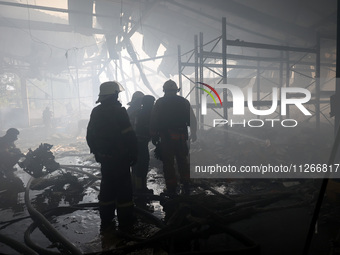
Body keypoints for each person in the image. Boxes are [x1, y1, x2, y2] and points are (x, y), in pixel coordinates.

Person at [86, 81, 138, 231]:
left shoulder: (96, 112)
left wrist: (97, 152)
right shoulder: (119, 111)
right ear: (114, 95)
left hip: (105, 158)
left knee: (107, 186)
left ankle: (106, 218)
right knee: (124, 188)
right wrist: (134, 153)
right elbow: (129, 135)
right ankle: (126, 220)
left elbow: (89, 135)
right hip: (120, 158)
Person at [150, 80, 197, 196]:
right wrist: (194, 133)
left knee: (168, 163)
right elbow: (192, 119)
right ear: (176, 90)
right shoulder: (184, 102)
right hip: (181, 138)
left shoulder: (160, 103)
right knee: (183, 161)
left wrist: (154, 136)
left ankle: (171, 187)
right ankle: (186, 184)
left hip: (166, 139)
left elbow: (154, 121)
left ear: (164, 90)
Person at [132, 95, 155, 194]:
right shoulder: (147, 113)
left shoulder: (138, 112)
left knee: (138, 166)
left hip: (136, 142)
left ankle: (138, 187)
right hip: (140, 143)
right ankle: (140, 189)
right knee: (142, 165)